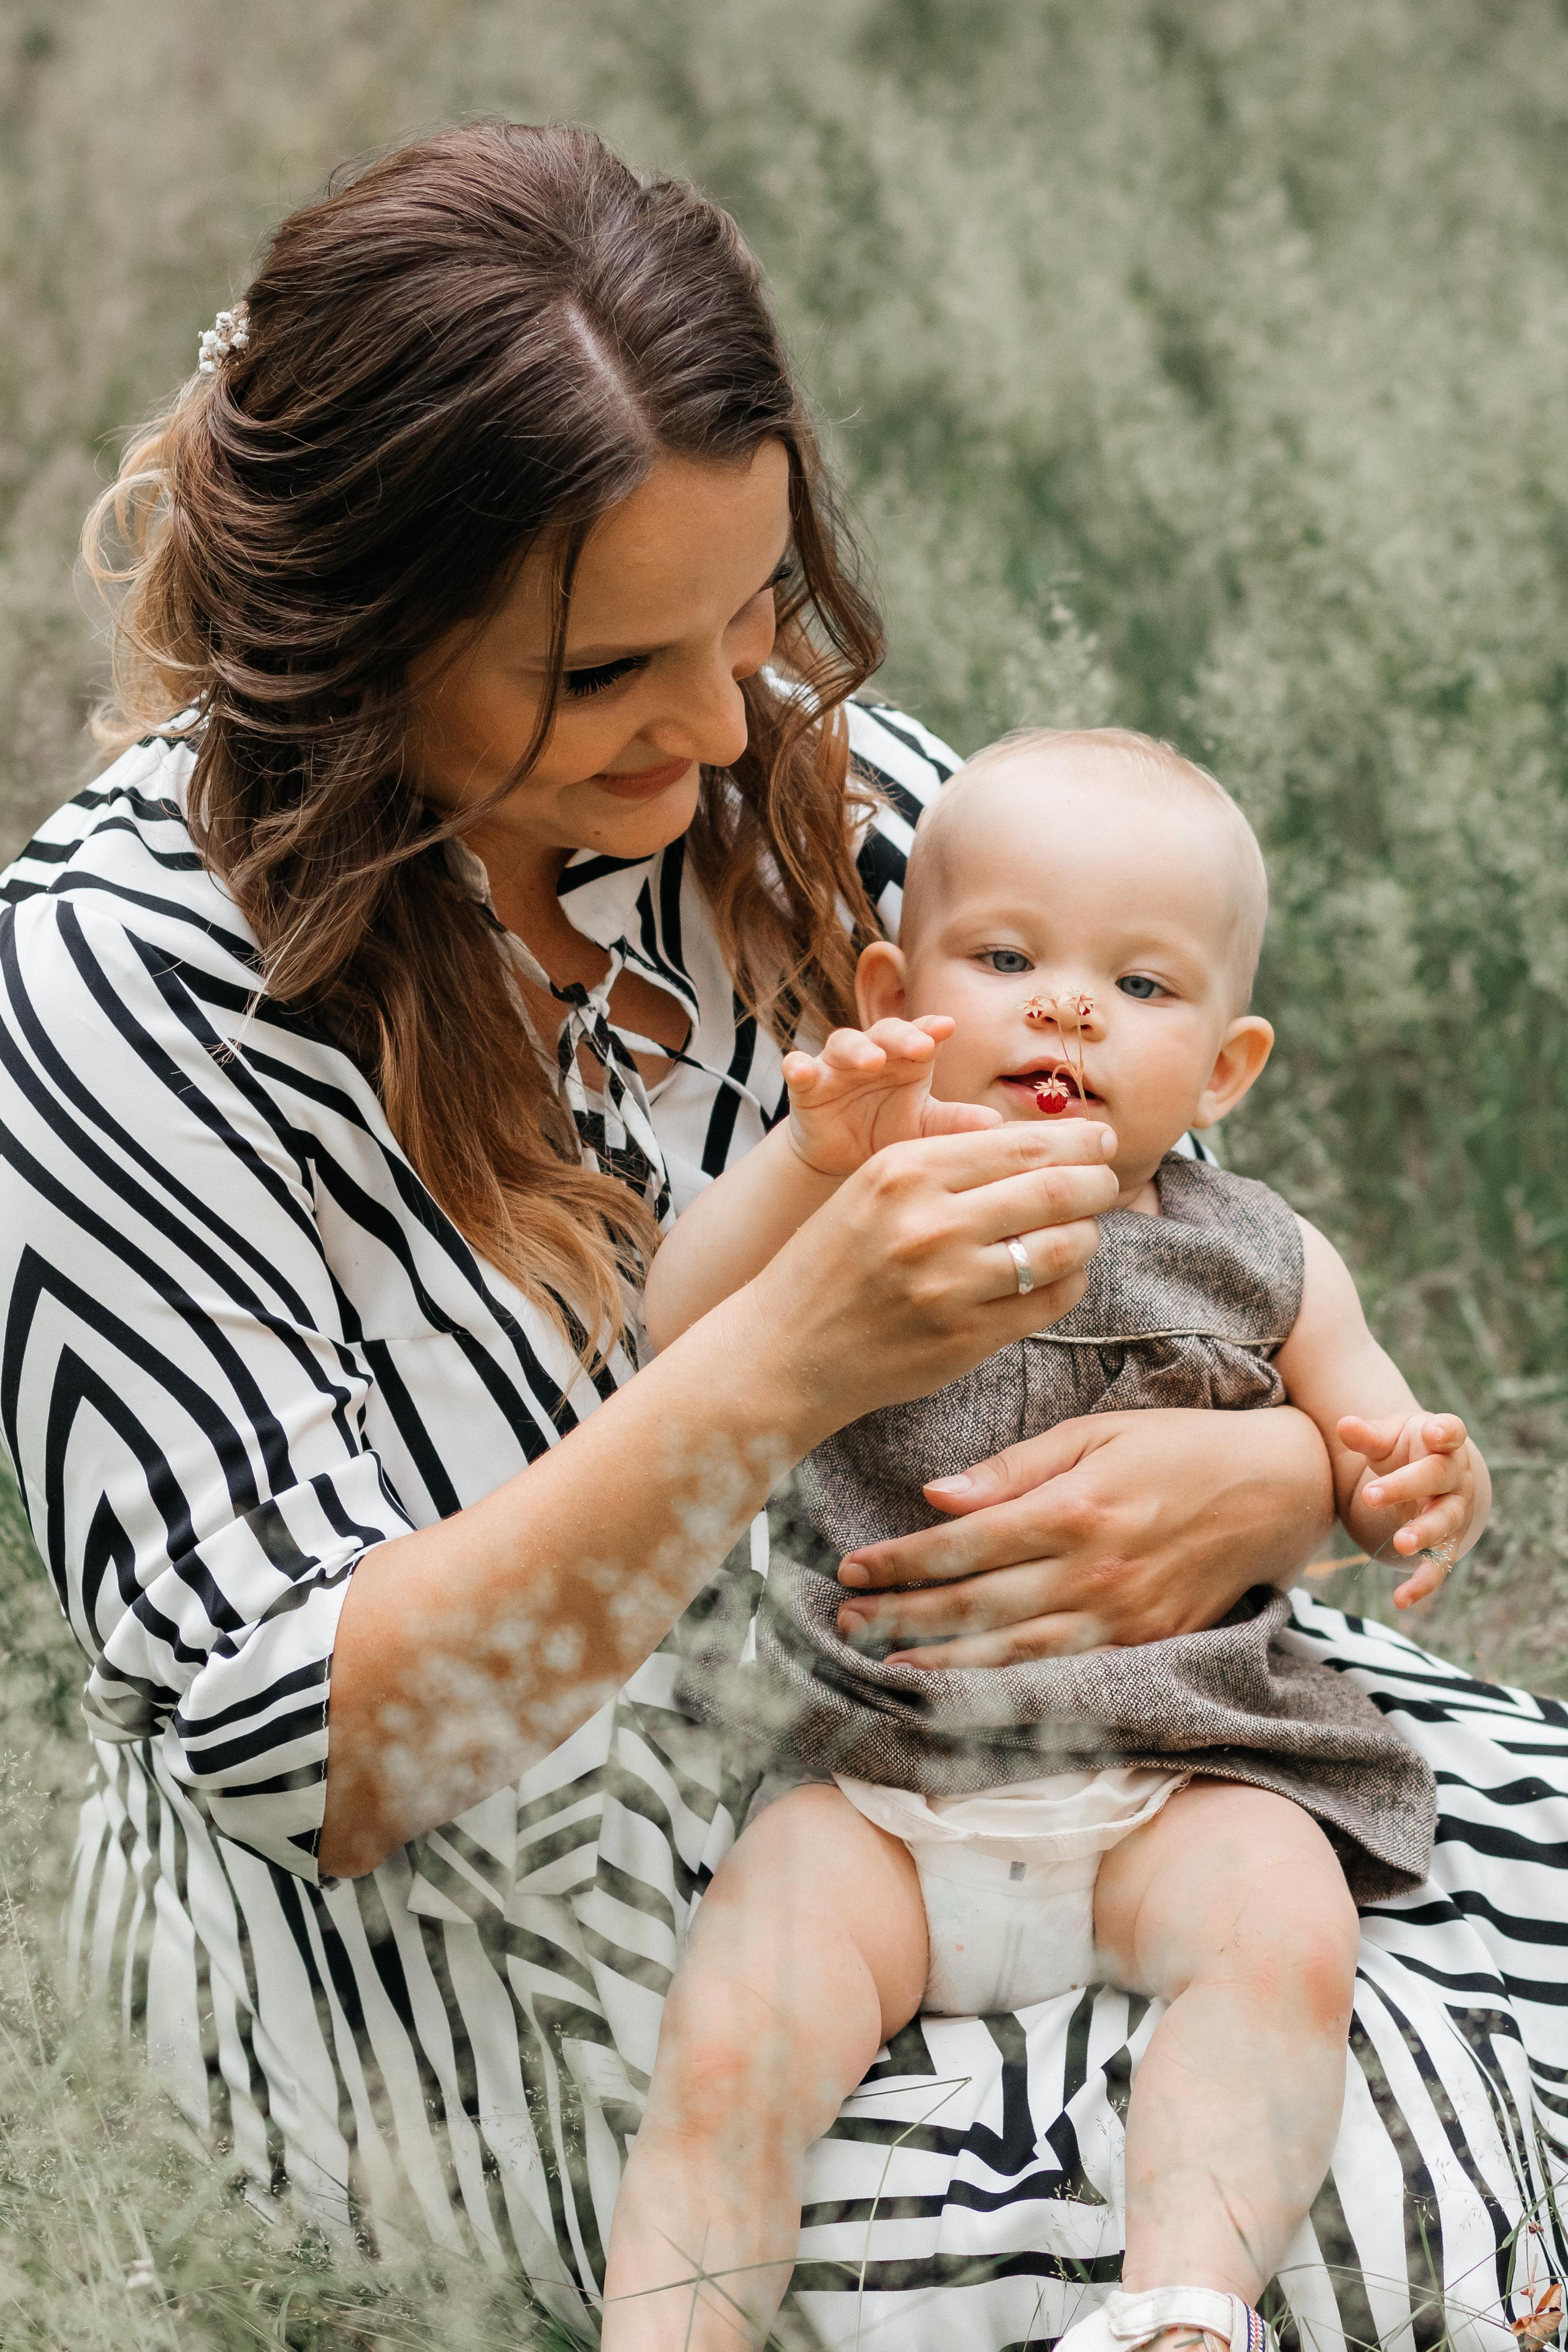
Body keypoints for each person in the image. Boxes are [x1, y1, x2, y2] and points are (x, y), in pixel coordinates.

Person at [0, 119, 1564, 2352]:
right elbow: (312, 1757)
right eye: (614, 667)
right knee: (1355, 2220)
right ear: (360, 633)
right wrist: (781, 1368)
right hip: (497, 1896)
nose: (730, 721)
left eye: (750, 617)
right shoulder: (111, 994)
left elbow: (1160, 1189)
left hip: (1030, 1703)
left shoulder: (783, 786)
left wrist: (1282, 1476)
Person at [608, 726, 1487, 2351]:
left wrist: (1432, 1483)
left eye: (1143, 989)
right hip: (874, 1783)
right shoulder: (861, 1190)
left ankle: (1185, 2302)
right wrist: (811, 1153)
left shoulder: (1265, 1261)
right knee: (733, 2038)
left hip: (1182, 1775)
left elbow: (1376, 1454)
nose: (1070, 1007)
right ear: (896, 990)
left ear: (1226, 1070)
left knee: (1285, 1939)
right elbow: (684, 1325)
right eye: (1008, 958)